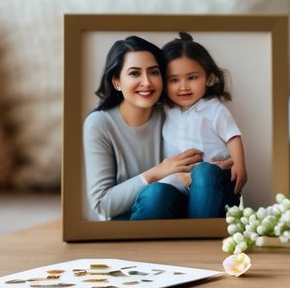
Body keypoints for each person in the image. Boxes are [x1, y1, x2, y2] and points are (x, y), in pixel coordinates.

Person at [82, 35, 201, 220]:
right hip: (124, 223)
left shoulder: (173, 115)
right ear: (116, 81)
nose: (147, 82)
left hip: (171, 213)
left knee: (163, 195)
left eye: (154, 72)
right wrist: (158, 172)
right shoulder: (99, 124)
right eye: (134, 73)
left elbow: (192, 169)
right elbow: (102, 205)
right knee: (156, 195)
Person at [159, 32, 247, 218]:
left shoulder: (213, 109)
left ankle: (197, 233)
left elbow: (233, 136)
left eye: (192, 78)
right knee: (160, 191)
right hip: (181, 182)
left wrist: (239, 164)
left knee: (204, 172)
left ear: (208, 78)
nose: (183, 86)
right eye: (174, 80)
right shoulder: (167, 111)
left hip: (214, 178)